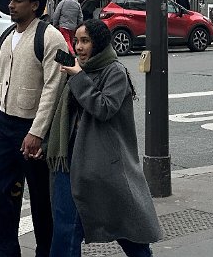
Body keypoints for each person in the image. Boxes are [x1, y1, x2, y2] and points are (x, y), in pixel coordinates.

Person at [48, 19, 162, 257]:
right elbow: (64, 114)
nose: (79, 47)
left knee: (125, 227)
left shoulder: (114, 71)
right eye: (77, 41)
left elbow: (104, 108)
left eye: (85, 41)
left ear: (98, 43)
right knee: (66, 229)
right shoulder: (80, 68)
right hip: (70, 159)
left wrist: (78, 77)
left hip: (103, 165)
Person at [0, 0, 67, 257]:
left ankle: (47, 252)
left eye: (18, 0)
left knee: (42, 199)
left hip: (32, 127)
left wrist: (37, 132)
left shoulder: (50, 37)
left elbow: (53, 88)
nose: (11, 5)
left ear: (34, 5)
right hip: (4, 123)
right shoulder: (6, 37)